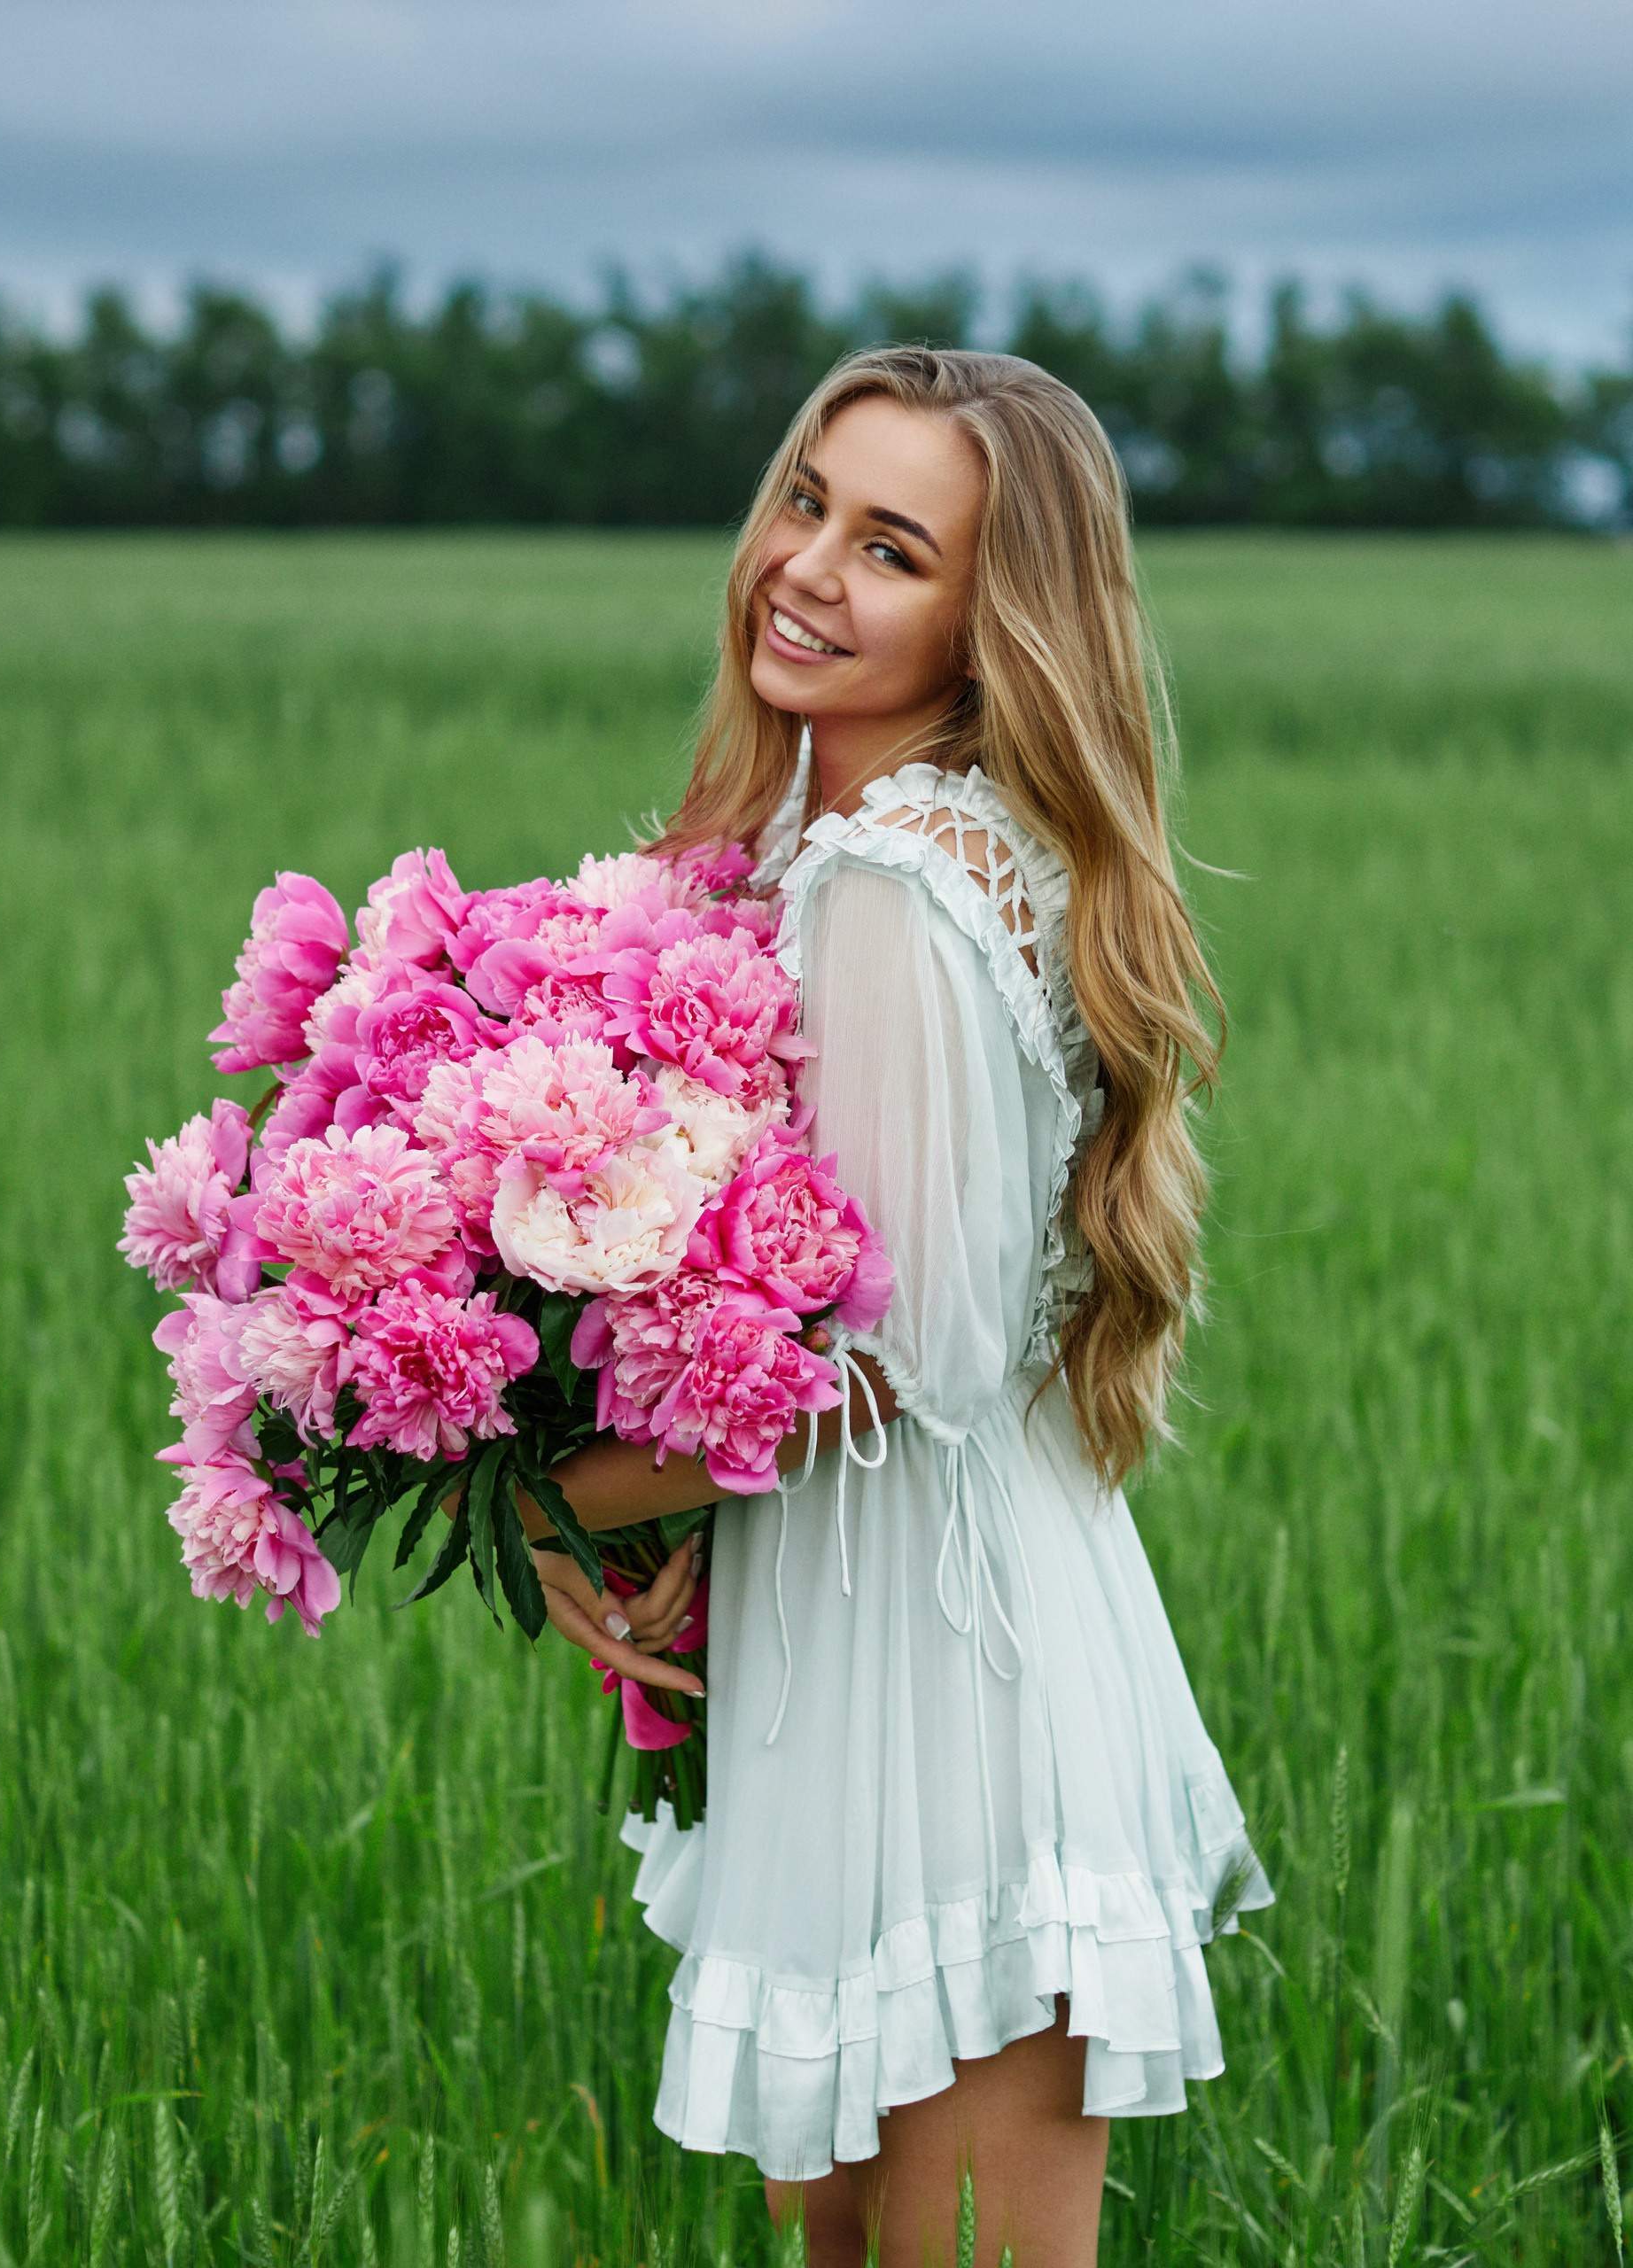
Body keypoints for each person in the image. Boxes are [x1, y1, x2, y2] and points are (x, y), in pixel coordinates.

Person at [517, 347, 1271, 2267]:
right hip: (875, 1642)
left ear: (986, 619)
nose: (807, 566)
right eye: (804, 501)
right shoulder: (837, 851)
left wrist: (548, 1498)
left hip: (945, 1683)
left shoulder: (887, 878)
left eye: (892, 544)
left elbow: (895, 1354)